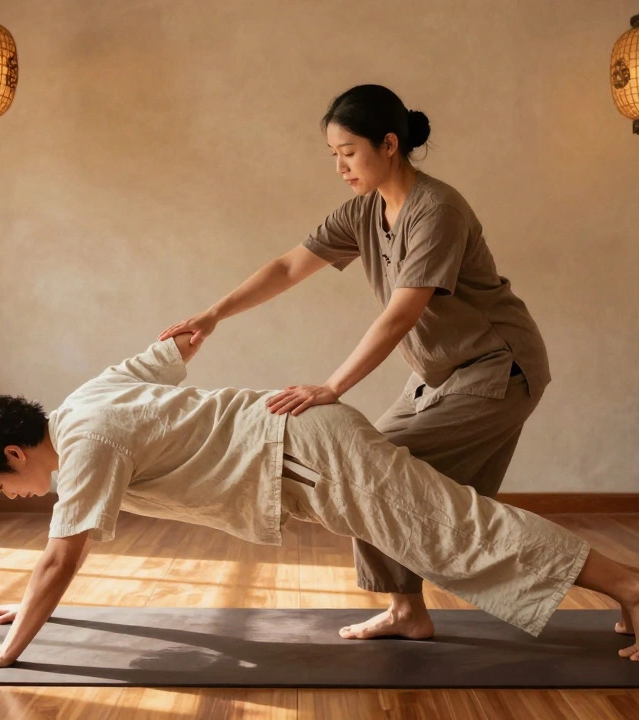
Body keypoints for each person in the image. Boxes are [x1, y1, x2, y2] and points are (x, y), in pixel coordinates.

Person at [0, 336, 639, 672]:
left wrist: (11, 644)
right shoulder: (85, 402)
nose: (16, 498)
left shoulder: (86, 447)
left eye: (0, 489)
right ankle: (408, 613)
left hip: (307, 449)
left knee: (457, 532)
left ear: (16, 454)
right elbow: (175, 343)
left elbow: (62, 556)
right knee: (432, 533)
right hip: (299, 448)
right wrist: (26, 608)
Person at [158, 84, 551, 641]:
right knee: (361, 471)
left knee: (379, 476)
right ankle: (405, 610)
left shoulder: (436, 210)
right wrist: (213, 314)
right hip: (440, 374)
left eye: (348, 152)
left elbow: (400, 315)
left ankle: (634, 588)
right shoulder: (363, 212)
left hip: (498, 368)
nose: (340, 166)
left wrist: (331, 386)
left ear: (388, 144)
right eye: (333, 156)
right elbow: (288, 267)